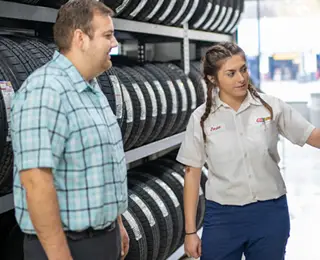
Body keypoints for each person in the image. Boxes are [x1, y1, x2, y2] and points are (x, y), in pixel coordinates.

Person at [176, 42, 320, 260]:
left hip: (269, 214)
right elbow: (192, 174)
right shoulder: (202, 118)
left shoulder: (271, 106)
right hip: (223, 217)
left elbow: (312, 136)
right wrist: (190, 232)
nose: (241, 78)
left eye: (243, 69)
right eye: (231, 73)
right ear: (213, 79)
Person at [10, 1, 129, 259]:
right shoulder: (45, 91)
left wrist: (115, 224)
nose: (115, 43)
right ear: (80, 38)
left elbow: (102, 165)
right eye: (108, 35)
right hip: (67, 247)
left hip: (101, 239)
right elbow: (36, 183)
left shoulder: (92, 89)